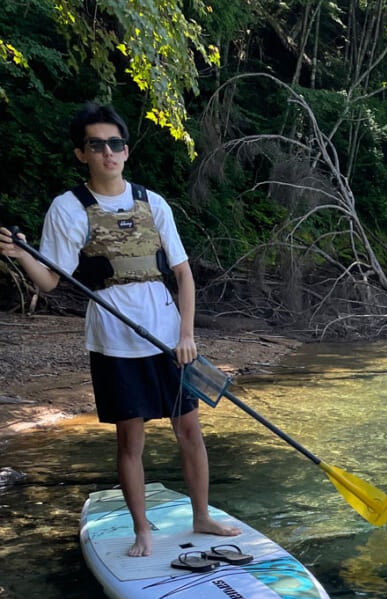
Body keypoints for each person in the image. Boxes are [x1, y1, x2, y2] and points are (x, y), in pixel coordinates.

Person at [0, 102, 240, 557]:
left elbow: (184, 274)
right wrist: (24, 255)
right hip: (113, 340)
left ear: (126, 151)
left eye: (115, 144)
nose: (108, 152)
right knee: (131, 437)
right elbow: (52, 280)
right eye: (97, 145)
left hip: (168, 337)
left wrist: (187, 335)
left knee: (189, 428)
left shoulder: (154, 203)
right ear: (81, 153)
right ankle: (142, 532)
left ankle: (202, 515)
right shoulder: (68, 209)